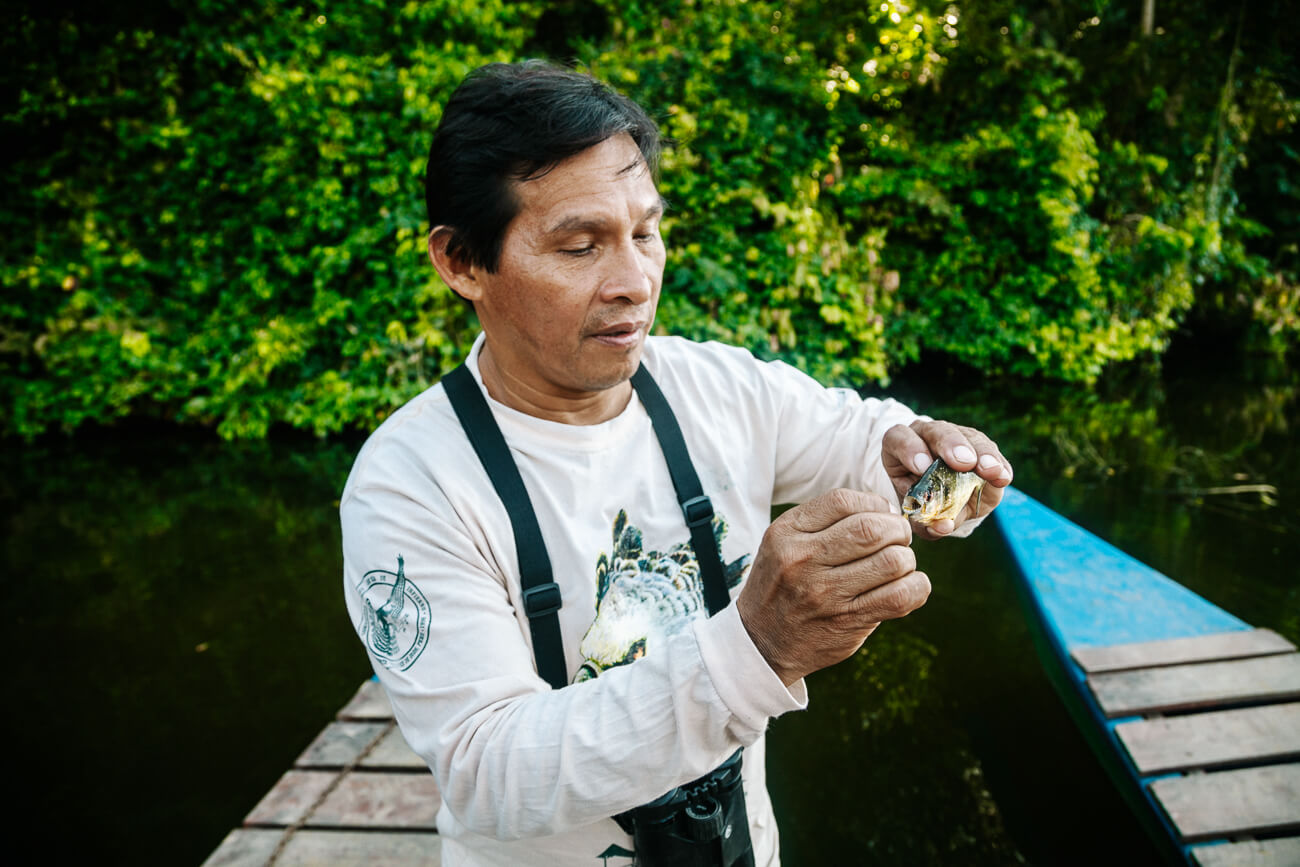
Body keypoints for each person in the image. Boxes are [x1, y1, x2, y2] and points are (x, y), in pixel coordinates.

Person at [341, 60, 1013, 867]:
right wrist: (757, 645)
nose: (633, 282)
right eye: (581, 245)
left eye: (646, 233)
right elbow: (487, 769)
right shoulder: (409, 485)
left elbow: (864, 437)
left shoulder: (713, 387)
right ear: (462, 262)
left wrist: (931, 458)